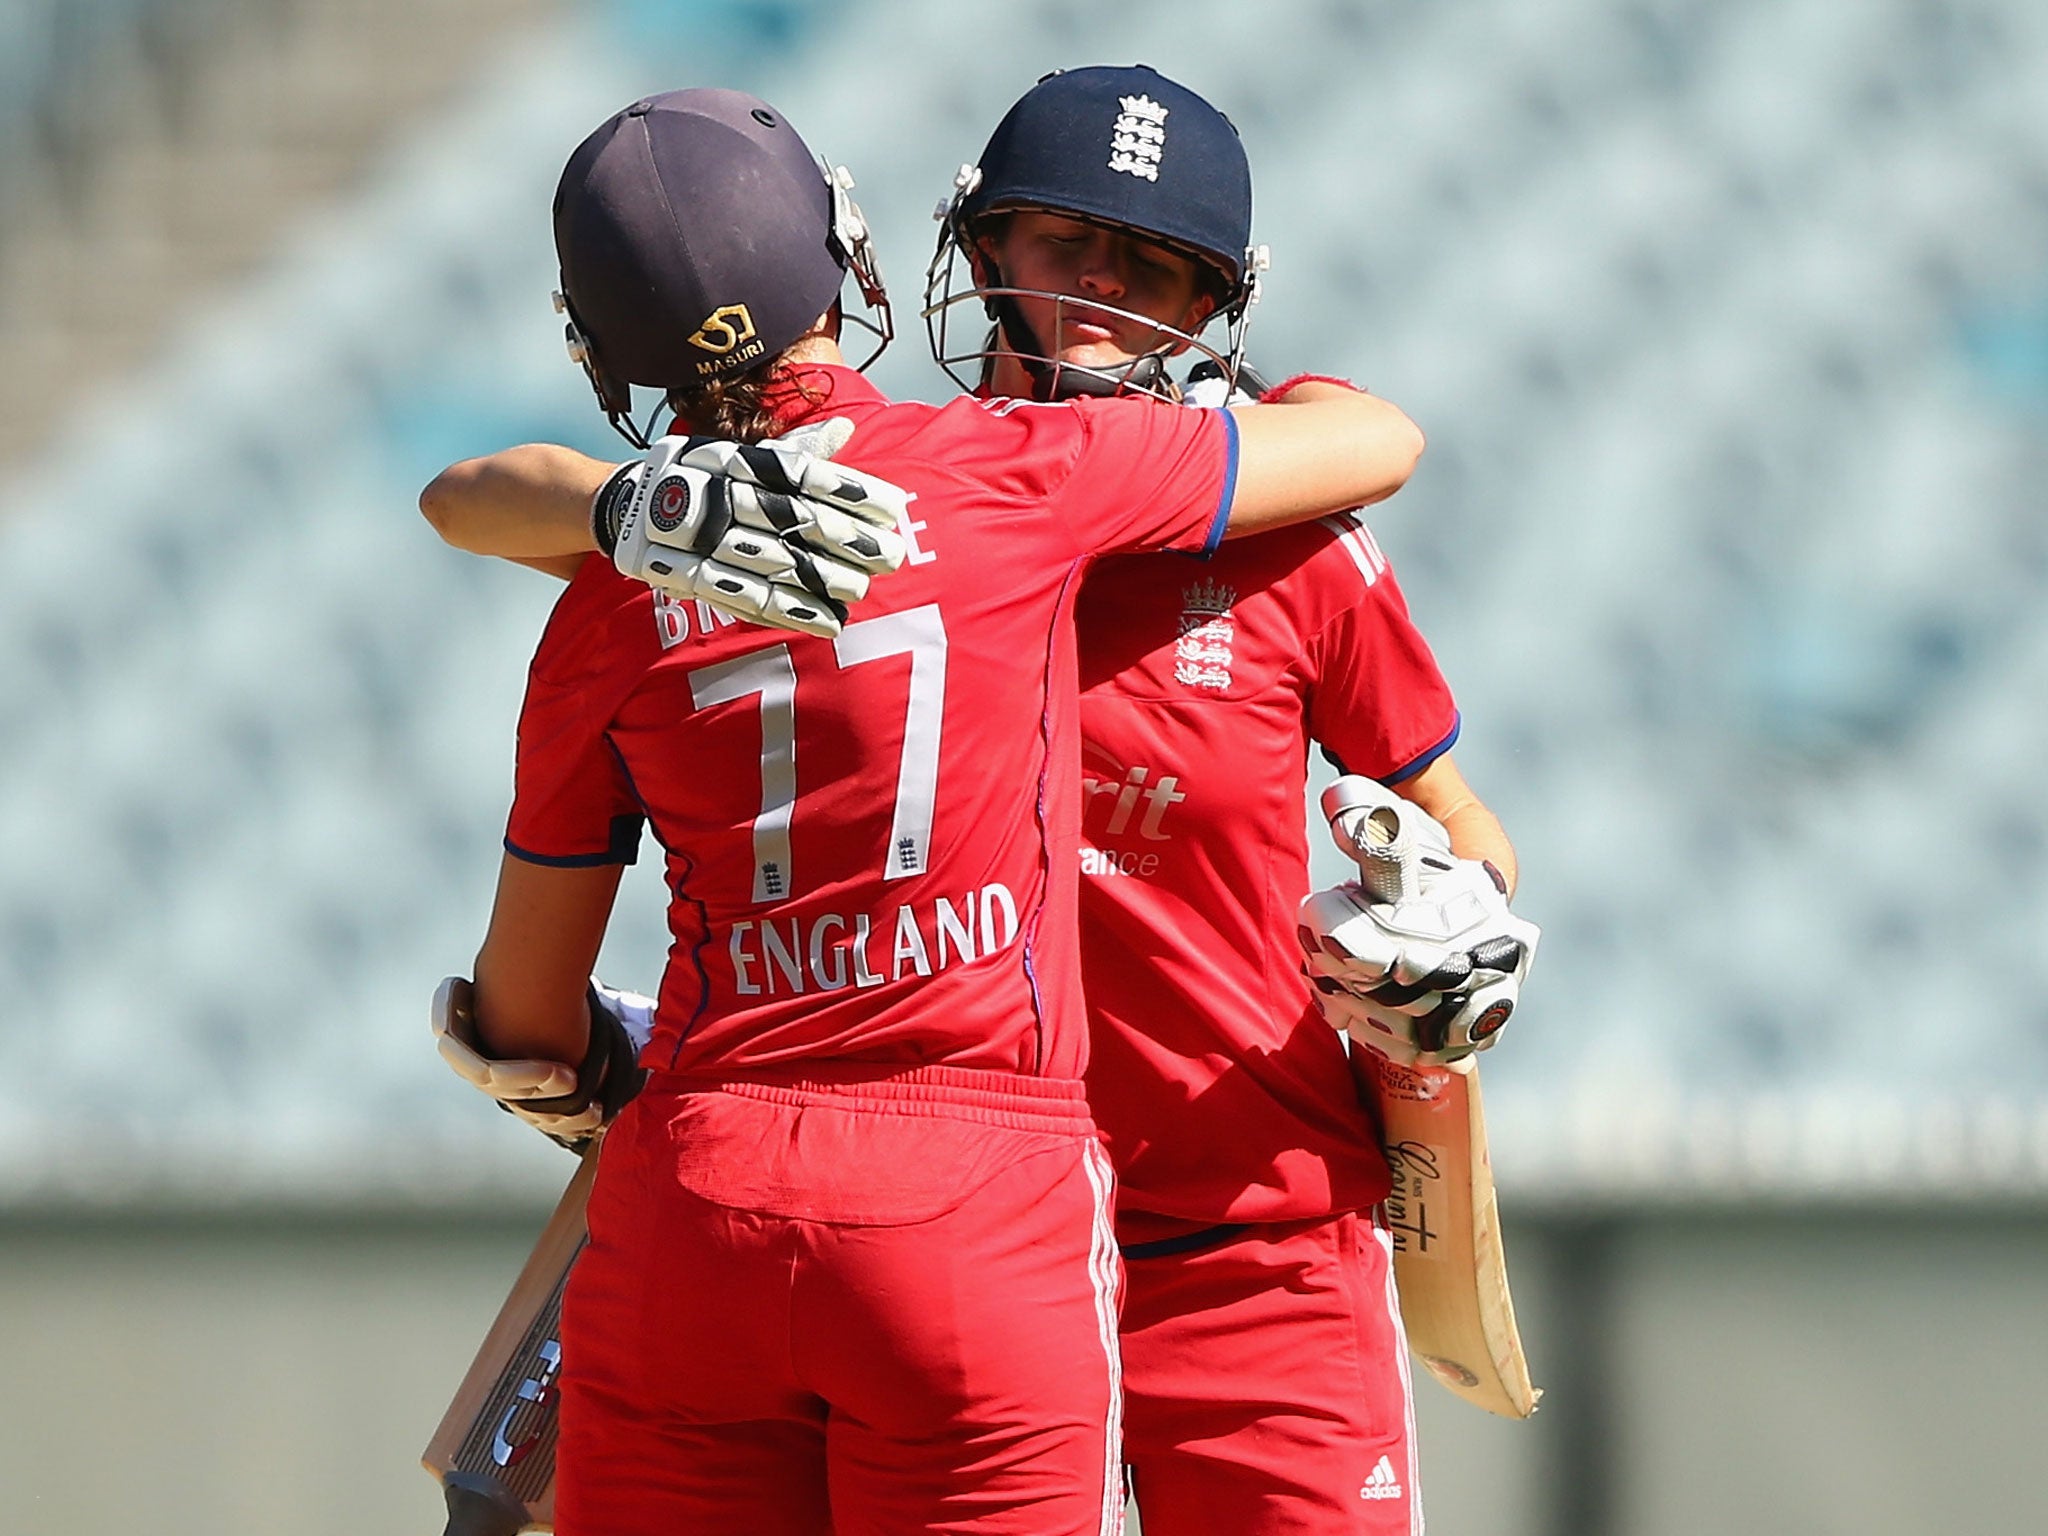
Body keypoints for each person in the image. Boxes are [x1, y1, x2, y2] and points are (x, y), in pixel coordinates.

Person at [423, 85, 1427, 1536]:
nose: (1095, 295)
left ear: (598, 348)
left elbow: (522, 1007)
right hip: (974, 1202)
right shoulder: (1020, 478)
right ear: (859, 259)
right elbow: (1377, 441)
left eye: (1145, 268)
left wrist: (583, 1062)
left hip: (698, 1196)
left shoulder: (603, 597)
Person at [922, 66, 1536, 1534]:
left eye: (1156, 266)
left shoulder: (1295, 546)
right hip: (965, 1249)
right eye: (1064, 241)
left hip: (1257, 1243)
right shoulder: (889, 514)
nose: (1104, 292)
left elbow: (1461, 823)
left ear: (1216, 306)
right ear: (985, 252)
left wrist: (1456, 924)